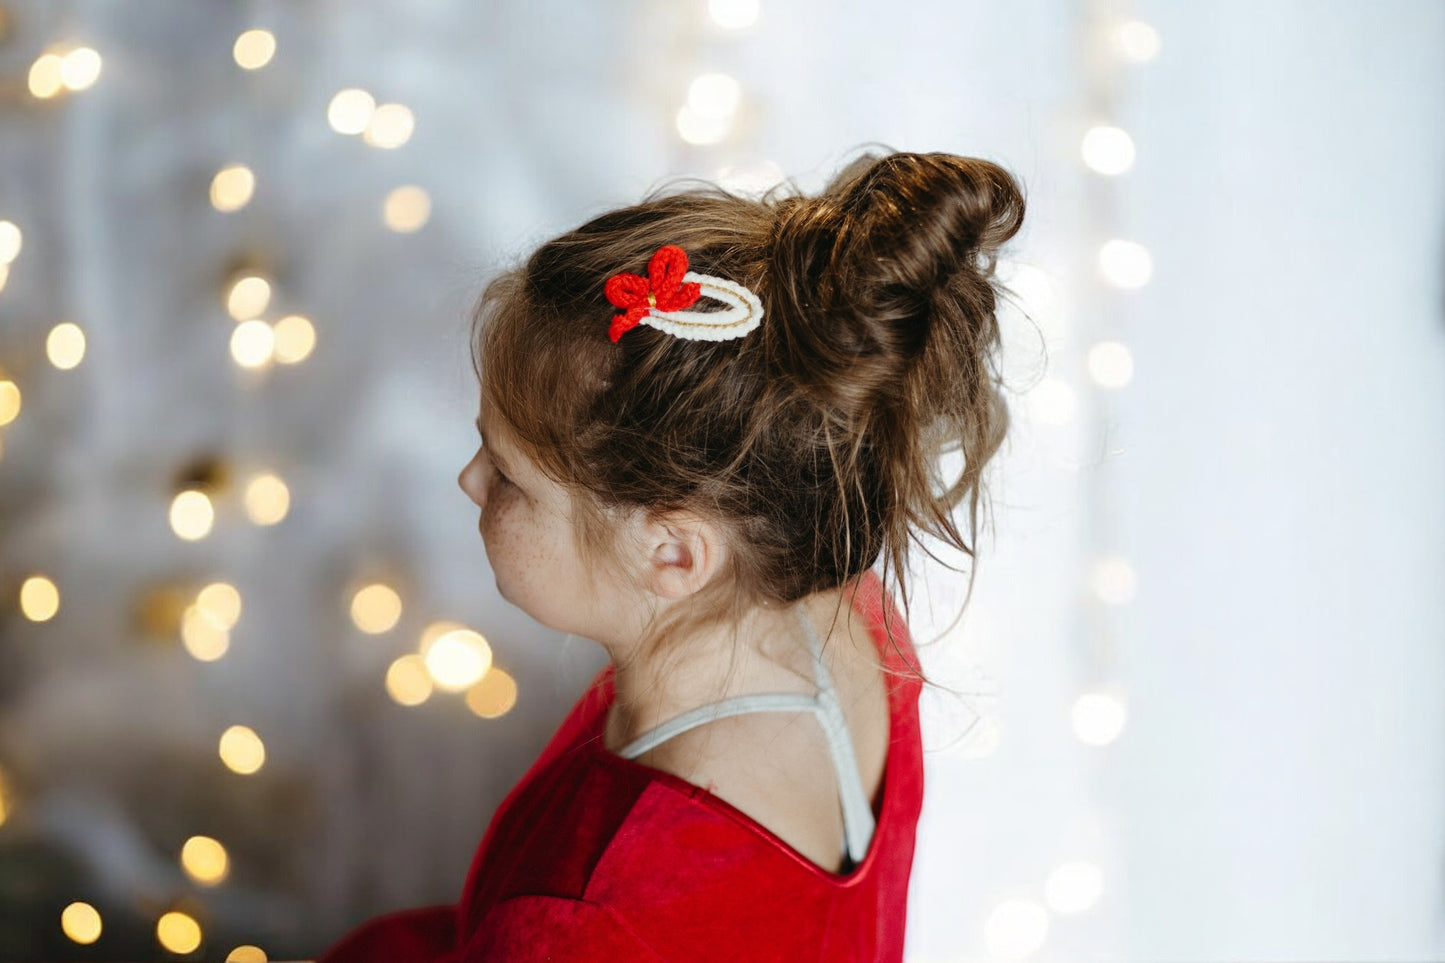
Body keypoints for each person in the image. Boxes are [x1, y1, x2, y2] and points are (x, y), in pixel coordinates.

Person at [316, 148, 1025, 962]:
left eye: (508, 474)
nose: (468, 479)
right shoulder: (857, 616)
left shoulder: (578, 917)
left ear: (675, 554)